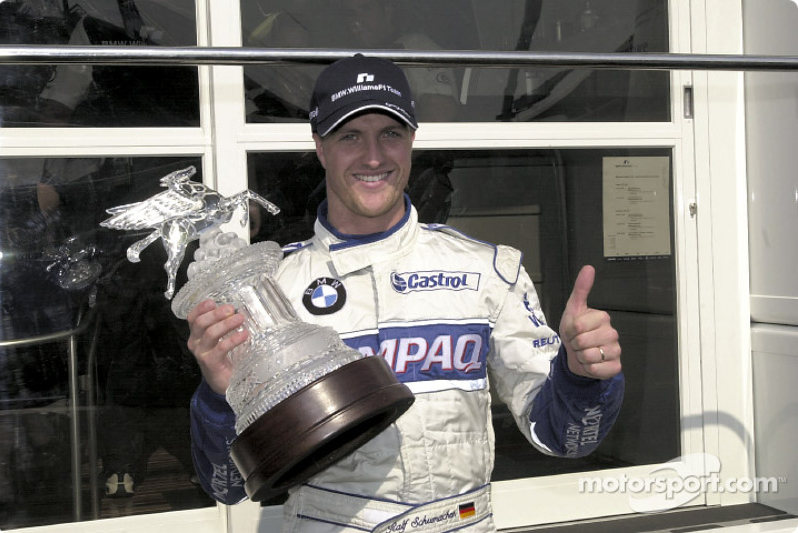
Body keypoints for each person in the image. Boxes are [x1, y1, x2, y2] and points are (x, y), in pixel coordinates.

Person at [187, 54, 624, 533]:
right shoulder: (271, 291)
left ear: (413, 140)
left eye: (390, 134)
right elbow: (225, 485)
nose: (373, 157)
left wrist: (582, 376)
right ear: (319, 146)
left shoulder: (487, 269)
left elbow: (565, 439)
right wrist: (217, 395)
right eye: (350, 135)